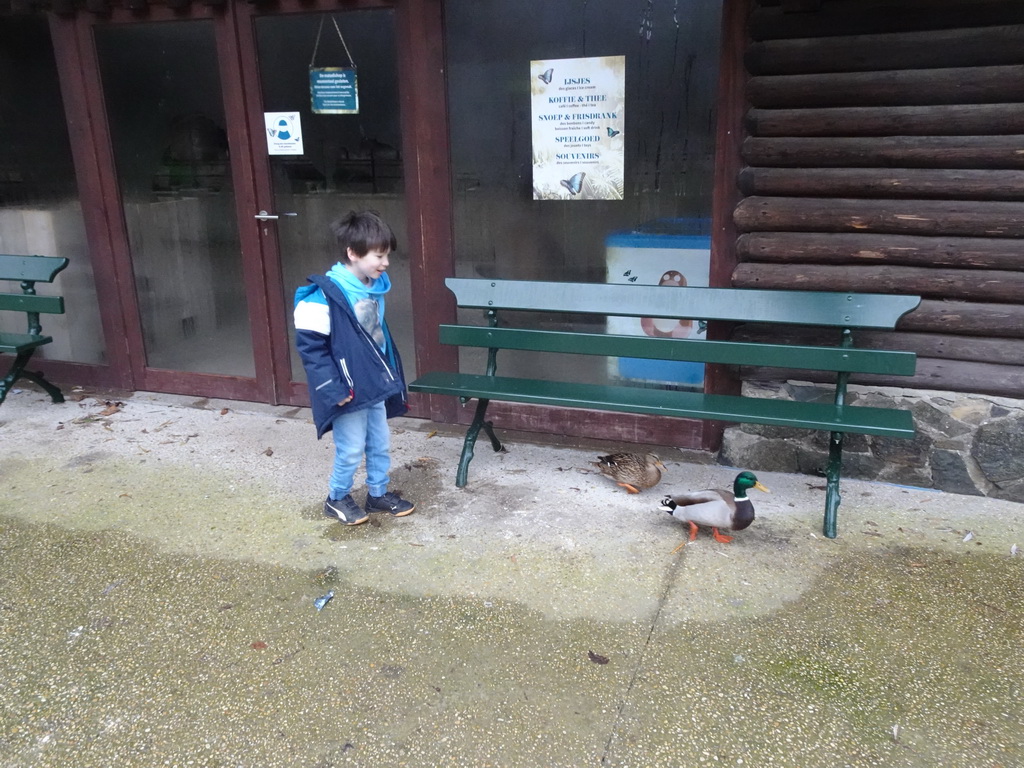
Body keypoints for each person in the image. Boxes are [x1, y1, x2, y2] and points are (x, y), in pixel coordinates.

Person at [293, 210, 414, 525]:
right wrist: (333, 389)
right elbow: (311, 348)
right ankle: (336, 498)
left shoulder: (371, 287)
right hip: (345, 389)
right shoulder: (324, 295)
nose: (385, 263)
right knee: (350, 449)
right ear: (352, 253)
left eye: (387, 255)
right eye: (379, 256)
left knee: (379, 442)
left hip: (373, 382)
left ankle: (377, 493)